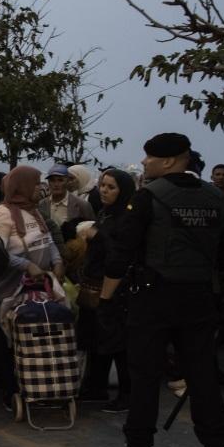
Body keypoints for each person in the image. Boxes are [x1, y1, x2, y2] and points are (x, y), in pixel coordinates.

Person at [100, 133, 224, 447]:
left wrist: (105, 299)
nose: (144, 163)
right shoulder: (215, 198)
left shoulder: (148, 197)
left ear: (170, 161)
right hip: (200, 300)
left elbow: (122, 253)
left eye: (149, 158)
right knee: (203, 376)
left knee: (145, 377)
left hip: (153, 297)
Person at [0, 166, 65, 409]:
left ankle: (36, 387)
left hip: (39, 288)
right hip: (11, 290)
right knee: (9, 341)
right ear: (21, 186)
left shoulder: (34, 211)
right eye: (35, 183)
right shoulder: (3, 215)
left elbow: (48, 240)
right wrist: (26, 265)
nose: (39, 187)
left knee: (34, 338)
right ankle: (11, 391)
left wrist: (57, 261)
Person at [77, 169, 136, 413]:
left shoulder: (127, 217)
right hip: (94, 286)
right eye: (102, 185)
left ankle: (127, 394)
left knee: (118, 344)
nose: (104, 190)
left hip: (114, 290)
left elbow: (121, 251)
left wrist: (97, 236)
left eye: (111, 187)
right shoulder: (105, 213)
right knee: (96, 339)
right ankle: (95, 386)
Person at [40, 164, 95, 237]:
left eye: (60, 180)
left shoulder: (82, 205)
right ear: (48, 183)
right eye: (52, 180)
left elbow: (92, 230)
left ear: (67, 181)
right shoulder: (42, 204)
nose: (56, 184)